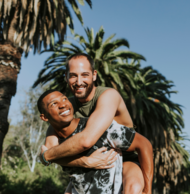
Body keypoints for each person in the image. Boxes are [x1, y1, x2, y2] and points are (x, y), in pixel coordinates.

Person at [41, 53, 153, 194]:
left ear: (94, 75)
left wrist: (148, 190)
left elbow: (84, 141)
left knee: (134, 187)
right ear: (66, 77)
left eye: (85, 75)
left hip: (124, 159)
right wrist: (84, 162)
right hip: (90, 166)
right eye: (73, 75)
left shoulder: (108, 96)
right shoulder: (65, 108)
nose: (79, 81)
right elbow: (54, 152)